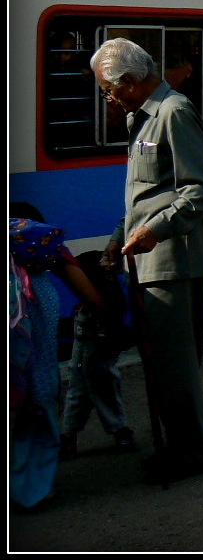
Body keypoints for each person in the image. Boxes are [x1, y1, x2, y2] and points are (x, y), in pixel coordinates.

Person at [92, 37, 203, 486]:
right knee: (163, 363)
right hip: (147, 257)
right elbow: (141, 198)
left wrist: (154, 231)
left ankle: (191, 452)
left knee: (175, 365)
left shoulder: (173, 113)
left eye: (109, 90)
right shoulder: (142, 117)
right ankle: (177, 446)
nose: (109, 98)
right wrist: (117, 239)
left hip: (171, 259)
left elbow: (199, 190)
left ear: (127, 81)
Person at [9, 210, 109, 509]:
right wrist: (105, 311)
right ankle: (29, 491)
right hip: (30, 341)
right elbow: (83, 288)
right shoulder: (42, 241)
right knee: (36, 404)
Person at [60, 250, 135, 460]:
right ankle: (116, 430)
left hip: (91, 361)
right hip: (89, 363)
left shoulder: (88, 312)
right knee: (91, 390)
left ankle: (72, 435)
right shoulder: (97, 309)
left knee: (85, 392)